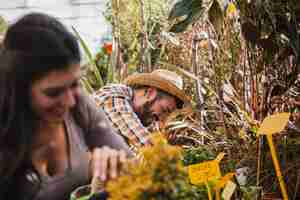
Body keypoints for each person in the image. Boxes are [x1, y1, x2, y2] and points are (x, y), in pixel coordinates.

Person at [0, 13, 131, 200]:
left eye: (75, 84)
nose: (69, 101)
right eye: (53, 93)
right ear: (19, 91)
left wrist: (116, 164)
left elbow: (132, 167)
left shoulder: (79, 104)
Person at [93, 69, 191, 148]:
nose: (162, 119)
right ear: (150, 93)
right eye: (164, 110)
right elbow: (145, 143)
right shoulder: (114, 96)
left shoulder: (147, 117)